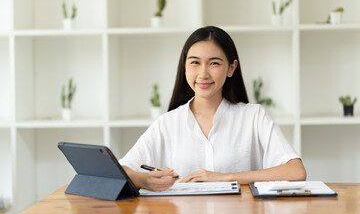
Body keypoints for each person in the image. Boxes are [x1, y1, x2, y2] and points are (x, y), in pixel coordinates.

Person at [120, 26, 306, 191]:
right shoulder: (167, 123)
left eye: (214, 63)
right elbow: (122, 171)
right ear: (184, 67)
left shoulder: (254, 117)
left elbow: (296, 171)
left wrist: (226, 178)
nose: (203, 74)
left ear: (231, 68)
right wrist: (143, 179)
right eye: (195, 62)